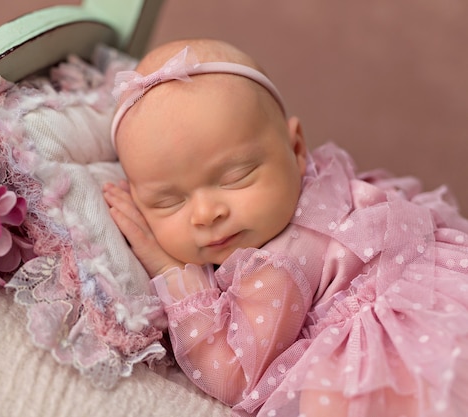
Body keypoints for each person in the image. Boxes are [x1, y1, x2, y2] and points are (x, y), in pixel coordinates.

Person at [102, 38, 468, 417]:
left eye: (237, 177)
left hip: (397, 366)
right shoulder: (321, 177)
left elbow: (235, 375)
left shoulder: (277, 264)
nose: (206, 213)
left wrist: (170, 271)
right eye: (169, 201)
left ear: (296, 148)